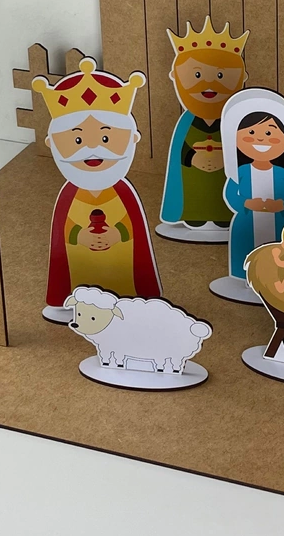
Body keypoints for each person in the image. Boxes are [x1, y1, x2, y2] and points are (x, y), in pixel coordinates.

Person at [32, 58, 161, 322]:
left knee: (122, 281)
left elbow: (133, 226)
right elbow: (63, 232)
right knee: (83, 279)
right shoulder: (69, 194)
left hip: (121, 258)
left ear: (132, 139)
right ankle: (77, 301)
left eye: (105, 138)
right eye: (77, 139)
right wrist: (79, 236)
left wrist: (118, 233)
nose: (92, 149)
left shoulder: (123, 192)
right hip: (80, 260)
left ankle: (128, 300)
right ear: (52, 143)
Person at [158, 17, 249, 240]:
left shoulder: (234, 121)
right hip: (192, 175)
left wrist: (227, 161)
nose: (209, 85)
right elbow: (179, 150)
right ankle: (193, 215)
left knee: (223, 197)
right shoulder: (185, 123)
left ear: (242, 77)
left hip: (224, 177)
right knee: (194, 194)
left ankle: (225, 215)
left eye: (221, 76)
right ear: (175, 77)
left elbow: (243, 148)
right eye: (197, 75)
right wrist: (192, 158)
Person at [221, 88, 284, 282]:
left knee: (278, 257)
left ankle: (276, 280)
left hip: (280, 223)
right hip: (246, 222)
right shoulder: (240, 172)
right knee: (245, 253)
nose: (260, 139)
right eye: (251, 132)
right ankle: (244, 276)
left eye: (269, 132)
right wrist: (246, 203)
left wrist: (283, 205)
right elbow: (231, 193)